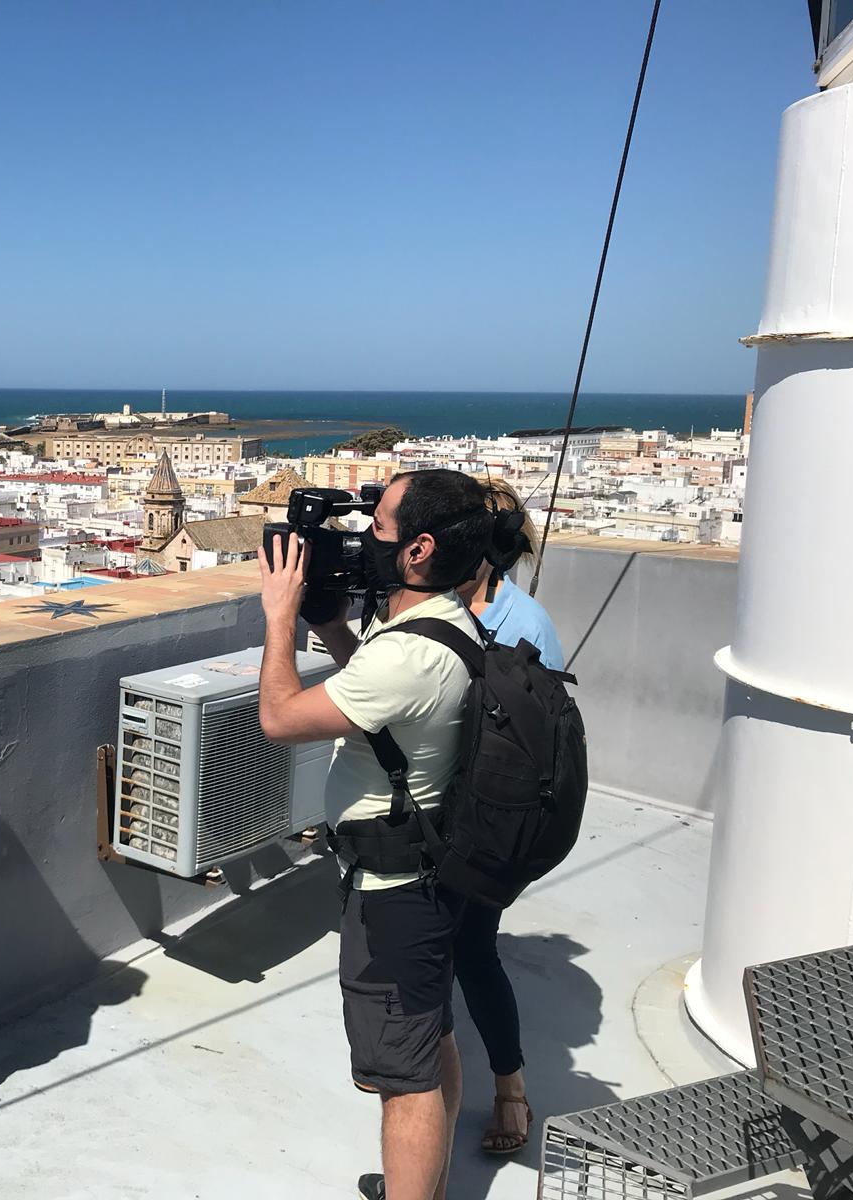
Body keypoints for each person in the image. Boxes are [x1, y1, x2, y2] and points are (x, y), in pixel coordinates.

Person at [259, 469, 496, 1200]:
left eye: (380, 530)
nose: (365, 543)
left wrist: (280, 617)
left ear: (419, 549)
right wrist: (329, 622)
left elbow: (280, 718)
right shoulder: (442, 622)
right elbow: (371, 693)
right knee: (430, 1038)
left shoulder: (408, 652)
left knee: (404, 1080)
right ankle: (422, 1185)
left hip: (395, 895)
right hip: (429, 872)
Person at [451, 478, 565, 1156]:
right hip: (436, 811)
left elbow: (534, 745)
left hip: (483, 818)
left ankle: (508, 1087)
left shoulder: (521, 625)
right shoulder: (440, 606)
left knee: (469, 950)